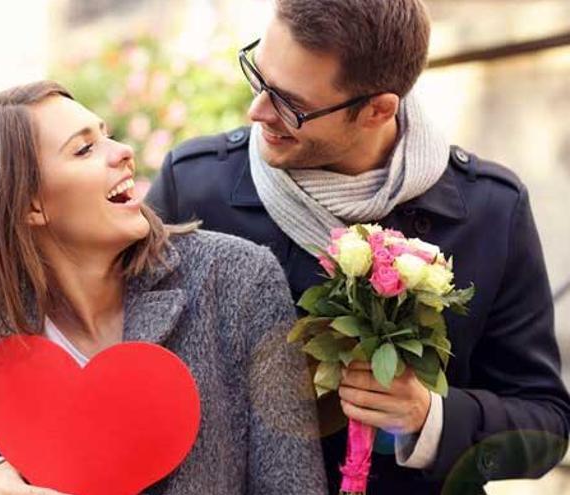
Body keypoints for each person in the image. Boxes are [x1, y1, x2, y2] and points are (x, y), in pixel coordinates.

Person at [146, 0, 570, 493]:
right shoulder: (194, 187)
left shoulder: (492, 211)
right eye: (258, 76)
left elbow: (546, 428)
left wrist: (430, 417)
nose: (256, 110)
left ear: (377, 110)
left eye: (290, 103)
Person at [0, 80, 327, 495]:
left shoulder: (239, 280)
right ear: (31, 205)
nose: (123, 152)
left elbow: (293, 484)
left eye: (107, 135)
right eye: (84, 149)